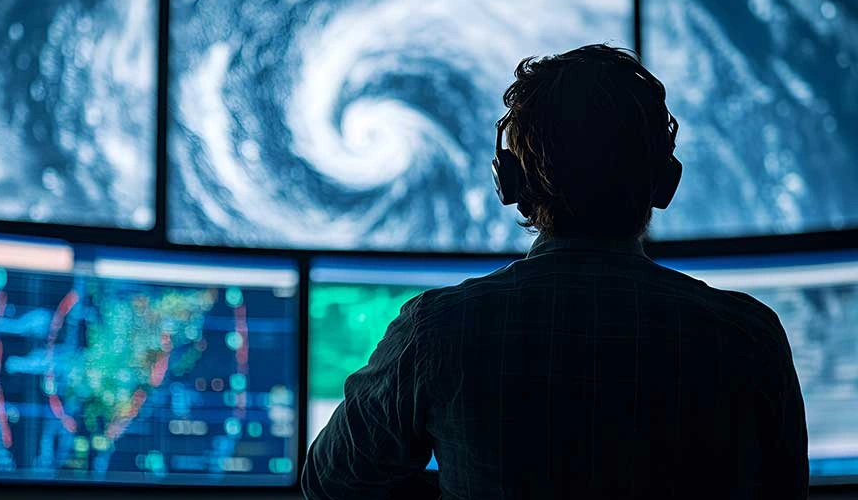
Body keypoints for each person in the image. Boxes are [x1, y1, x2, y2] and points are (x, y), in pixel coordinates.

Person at [301, 44, 808, 499]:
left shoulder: (436, 332)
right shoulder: (749, 338)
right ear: (664, 182)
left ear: (512, 182)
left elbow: (330, 483)